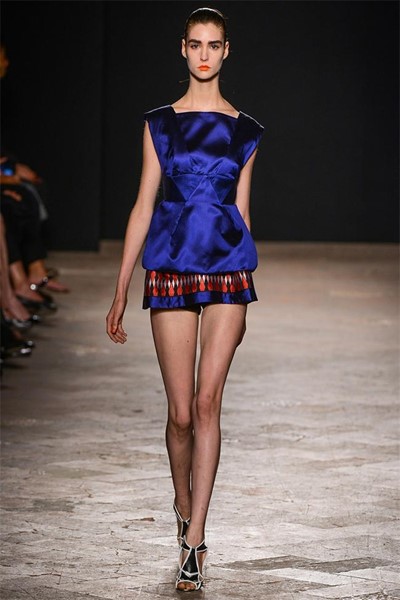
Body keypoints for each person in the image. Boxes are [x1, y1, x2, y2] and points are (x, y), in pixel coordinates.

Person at [106, 7, 263, 592]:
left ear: (226, 52)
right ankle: (182, 503)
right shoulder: (158, 125)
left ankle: (195, 538)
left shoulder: (246, 131)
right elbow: (143, 205)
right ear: (183, 49)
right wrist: (121, 288)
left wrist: (247, 291)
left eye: (213, 45)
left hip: (228, 273)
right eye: (195, 44)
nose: (203, 54)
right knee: (178, 414)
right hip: (170, 267)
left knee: (206, 403)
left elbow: (242, 212)